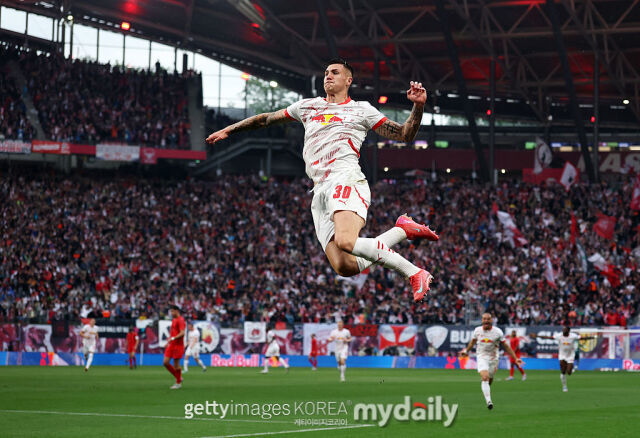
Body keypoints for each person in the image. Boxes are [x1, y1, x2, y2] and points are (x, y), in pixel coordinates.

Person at [206, 58, 439, 303]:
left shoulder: (361, 110)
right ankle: (402, 230)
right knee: (345, 267)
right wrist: (229, 129)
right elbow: (266, 119)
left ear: (348, 80)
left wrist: (418, 106)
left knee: (346, 241)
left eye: (335, 72)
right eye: (326, 72)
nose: (328, 75)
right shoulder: (307, 107)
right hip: (319, 190)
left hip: (346, 179)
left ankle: (415, 272)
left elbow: (404, 135)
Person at [460, 313, 523, 409]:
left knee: (490, 378)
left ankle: (486, 389)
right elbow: (472, 342)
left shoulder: (498, 332)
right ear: (482, 320)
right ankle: (489, 401)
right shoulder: (477, 330)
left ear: (491, 320)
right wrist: (466, 351)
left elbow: (506, 346)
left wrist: (516, 358)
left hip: (494, 358)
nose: (486, 321)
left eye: (488, 319)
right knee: (485, 377)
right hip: (481, 356)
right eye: (484, 319)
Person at [532, 327, 595, 392]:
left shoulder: (573, 336)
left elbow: (582, 338)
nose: (563, 331)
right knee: (563, 371)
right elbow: (549, 337)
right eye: (563, 330)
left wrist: (592, 337)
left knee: (569, 372)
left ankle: (571, 367)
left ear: (568, 331)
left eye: (565, 330)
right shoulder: (559, 335)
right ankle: (564, 386)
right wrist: (537, 336)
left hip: (570, 355)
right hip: (562, 355)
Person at [163, 305, 186, 389]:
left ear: (177, 311)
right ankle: (178, 377)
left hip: (178, 345)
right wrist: (169, 341)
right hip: (172, 344)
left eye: (172, 311)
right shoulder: (174, 320)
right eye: (171, 311)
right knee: (165, 363)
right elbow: (172, 332)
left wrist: (173, 338)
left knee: (176, 365)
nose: (171, 313)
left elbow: (182, 333)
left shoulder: (181, 320)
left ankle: (178, 383)